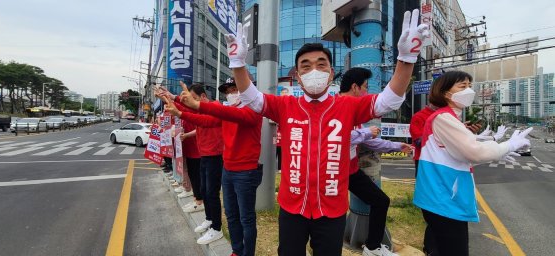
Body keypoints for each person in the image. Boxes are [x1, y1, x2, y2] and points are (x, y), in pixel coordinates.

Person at [225, 9, 429, 255]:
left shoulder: (347, 105)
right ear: (298, 77)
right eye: (306, 66)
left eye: (321, 65)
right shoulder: (284, 105)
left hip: (332, 210)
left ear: (331, 73)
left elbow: (390, 100)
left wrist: (406, 59)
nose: (314, 70)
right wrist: (238, 64)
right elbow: (251, 97)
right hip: (292, 209)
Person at [413, 71, 532, 256]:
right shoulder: (444, 118)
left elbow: (458, 158)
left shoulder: (448, 117)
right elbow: (474, 152)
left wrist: (497, 153)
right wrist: (508, 145)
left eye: (470, 85)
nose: (469, 90)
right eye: (462, 86)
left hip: (442, 198)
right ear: (445, 93)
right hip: (444, 199)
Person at [166, 78, 263, 256]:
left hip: (246, 172)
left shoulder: (253, 110)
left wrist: (188, 104)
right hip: (228, 169)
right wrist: (180, 112)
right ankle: (236, 251)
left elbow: (216, 112)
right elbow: (205, 121)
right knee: (232, 215)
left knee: (246, 219)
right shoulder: (228, 112)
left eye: (235, 89)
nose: (231, 94)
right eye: (228, 91)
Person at [340, 67, 412, 256]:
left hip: (351, 171)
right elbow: (334, 137)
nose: (367, 93)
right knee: (334, 212)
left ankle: (372, 248)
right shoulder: (337, 105)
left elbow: (369, 140)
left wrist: (397, 146)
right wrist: (365, 132)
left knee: (380, 201)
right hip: (334, 172)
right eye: (365, 87)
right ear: (355, 87)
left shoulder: (354, 112)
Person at [159, 84, 225, 245]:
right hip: (204, 154)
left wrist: (180, 112)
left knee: (211, 193)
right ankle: (209, 220)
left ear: (203, 97)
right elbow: (189, 110)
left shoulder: (215, 107)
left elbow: (196, 117)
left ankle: (217, 228)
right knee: (203, 190)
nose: (192, 103)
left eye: (194, 99)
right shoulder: (200, 108)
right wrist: (171, 97)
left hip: (215, 156)